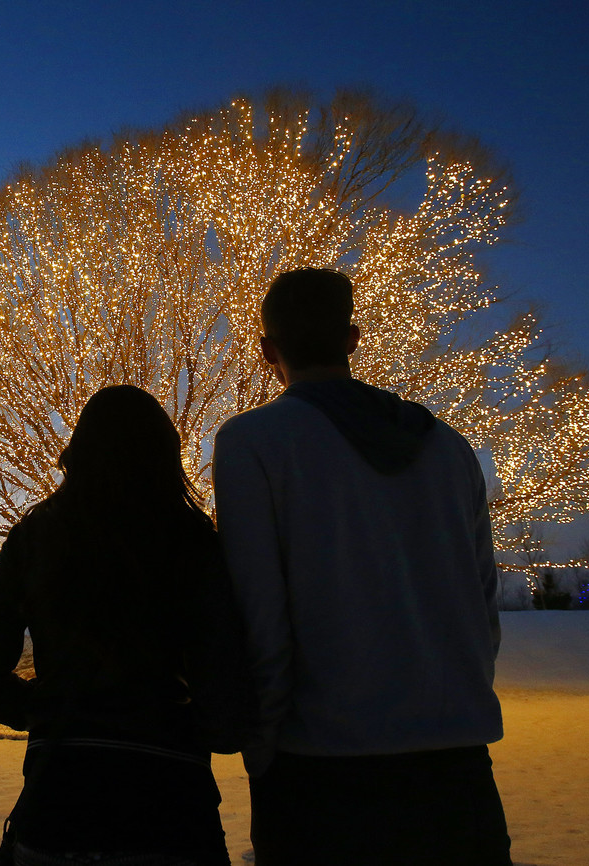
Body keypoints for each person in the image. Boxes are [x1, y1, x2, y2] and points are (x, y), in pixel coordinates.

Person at [212, 268, 511, 865]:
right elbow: (483, 601)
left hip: (323, 767)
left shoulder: (253, 442)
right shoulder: (450, 449)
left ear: (268, 350)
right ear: (353, 339)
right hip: (458, 768)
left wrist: (263, 745)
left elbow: (261, 611)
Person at [0, 384, 256, 866]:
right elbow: (228, 715)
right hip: (174, 813)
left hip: (56, 807)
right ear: (166, 456)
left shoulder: (35, 537)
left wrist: (50, 710)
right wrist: (176, 724)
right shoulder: (197, 544)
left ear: (79, 452)